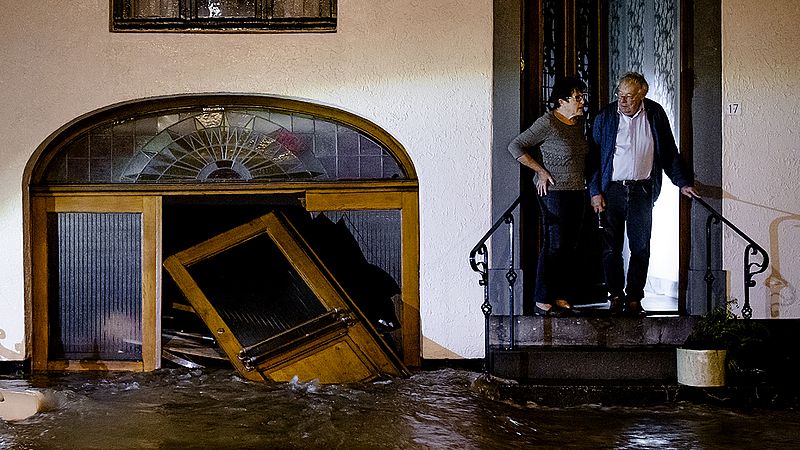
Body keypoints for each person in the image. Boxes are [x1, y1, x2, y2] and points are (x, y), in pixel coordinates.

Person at [588, 72, 699, 317]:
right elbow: (593, 159)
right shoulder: (605, 117)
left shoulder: (655, 114)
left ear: (642, 95)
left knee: (640, 247)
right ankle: (616, 296)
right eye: (620, 94)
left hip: (642, 190)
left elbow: (669, 152)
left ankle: (635, 297)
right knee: (611, 248)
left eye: (629, 96)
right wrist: (595, 192)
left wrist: (682, 183)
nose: (623, 101)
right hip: (612, 190)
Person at [508, 76, 589, 317]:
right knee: (554, 245)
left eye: (583, 96)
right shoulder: (548, 123)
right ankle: (543, 298)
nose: (582, 101)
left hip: (577, 191)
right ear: (562, 101)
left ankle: (561, 294)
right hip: (553, 193)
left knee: (570, 246)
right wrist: (540, 171)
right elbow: (516, 146)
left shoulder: (579, 124)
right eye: (577, 97)